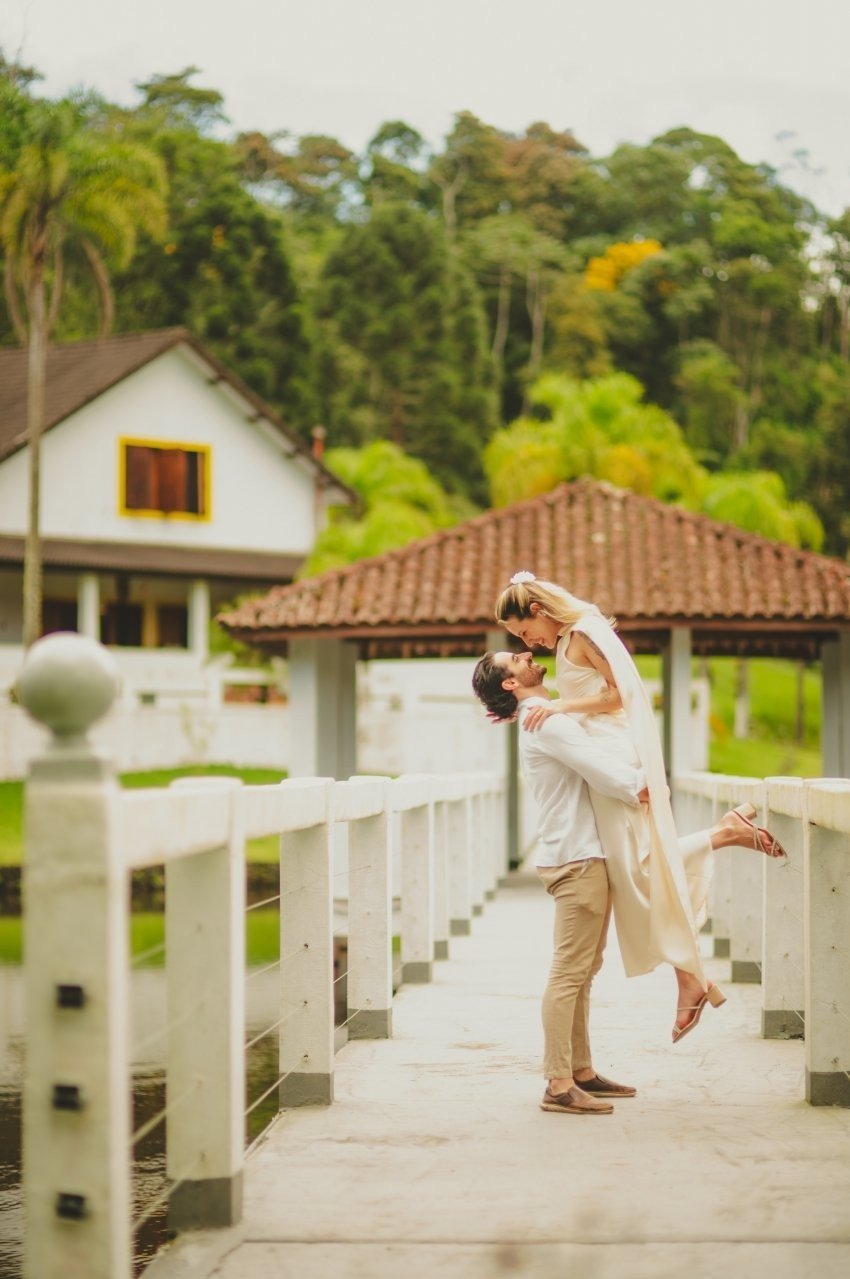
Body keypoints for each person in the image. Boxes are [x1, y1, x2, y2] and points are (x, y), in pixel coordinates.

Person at [493, 572, 786, 1039]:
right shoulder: (570, 638)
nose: (530, 644)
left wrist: (562, 707)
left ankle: (693, 963)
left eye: (526, 632)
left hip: (613, 756)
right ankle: (692, 970)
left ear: (538, 611)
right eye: (521, 641)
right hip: (602, 760)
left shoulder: (583, 633)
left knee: (637, 870)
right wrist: (564, 708)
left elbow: (619, 697)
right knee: (635, 869)